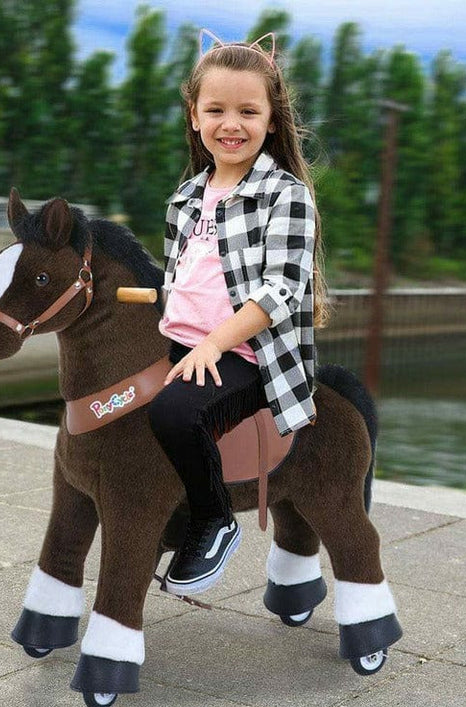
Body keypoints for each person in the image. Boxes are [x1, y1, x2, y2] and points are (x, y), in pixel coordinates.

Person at [147, 30, 328, 596]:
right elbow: (184, 279)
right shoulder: (185, 197)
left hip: (248, 353)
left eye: (248, 111)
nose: (232, 124)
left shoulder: (286, 195)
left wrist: (214, 343)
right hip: (181, 342)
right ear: (194, 116)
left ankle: (213, 518)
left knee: (175, 413)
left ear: (271, 121)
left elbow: (281, 290)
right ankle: (165, 509)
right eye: (216, 110)